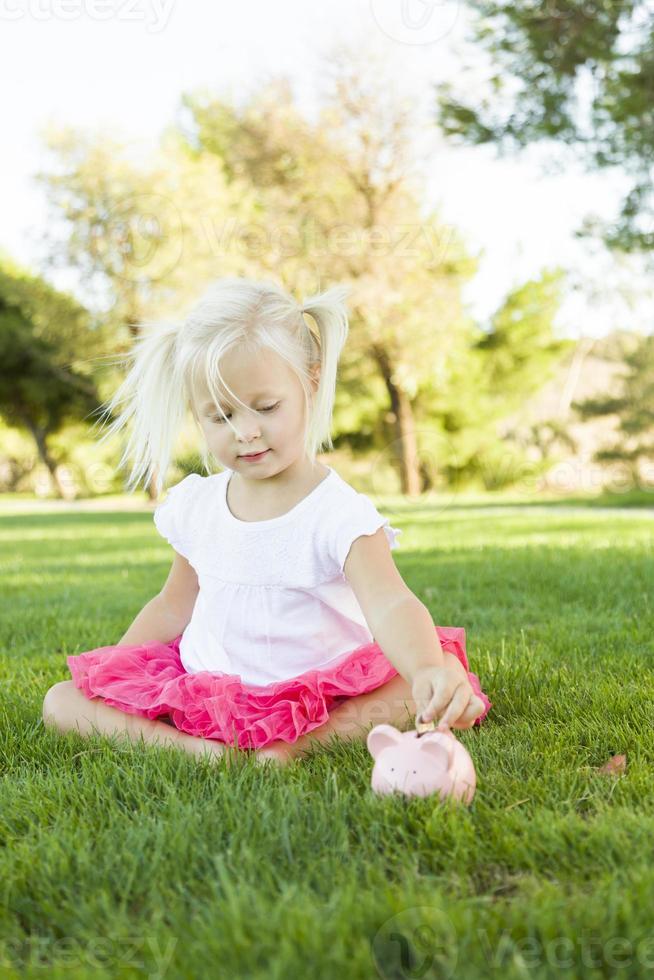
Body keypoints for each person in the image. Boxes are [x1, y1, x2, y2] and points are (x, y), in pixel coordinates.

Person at [42, 276, 491, 767]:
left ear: (310, 385)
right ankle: (199, 753)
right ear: (197, 416)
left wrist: (425, 666)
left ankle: (293, 748)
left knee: (433, 674)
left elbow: (389, 603)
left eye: (266, 407)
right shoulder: (198, 505)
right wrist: (115, 674)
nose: (246, 432)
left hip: (315, 695)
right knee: (62, 701)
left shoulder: (338, 513)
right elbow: (173, 605)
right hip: (206, 690)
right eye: (220, 417)